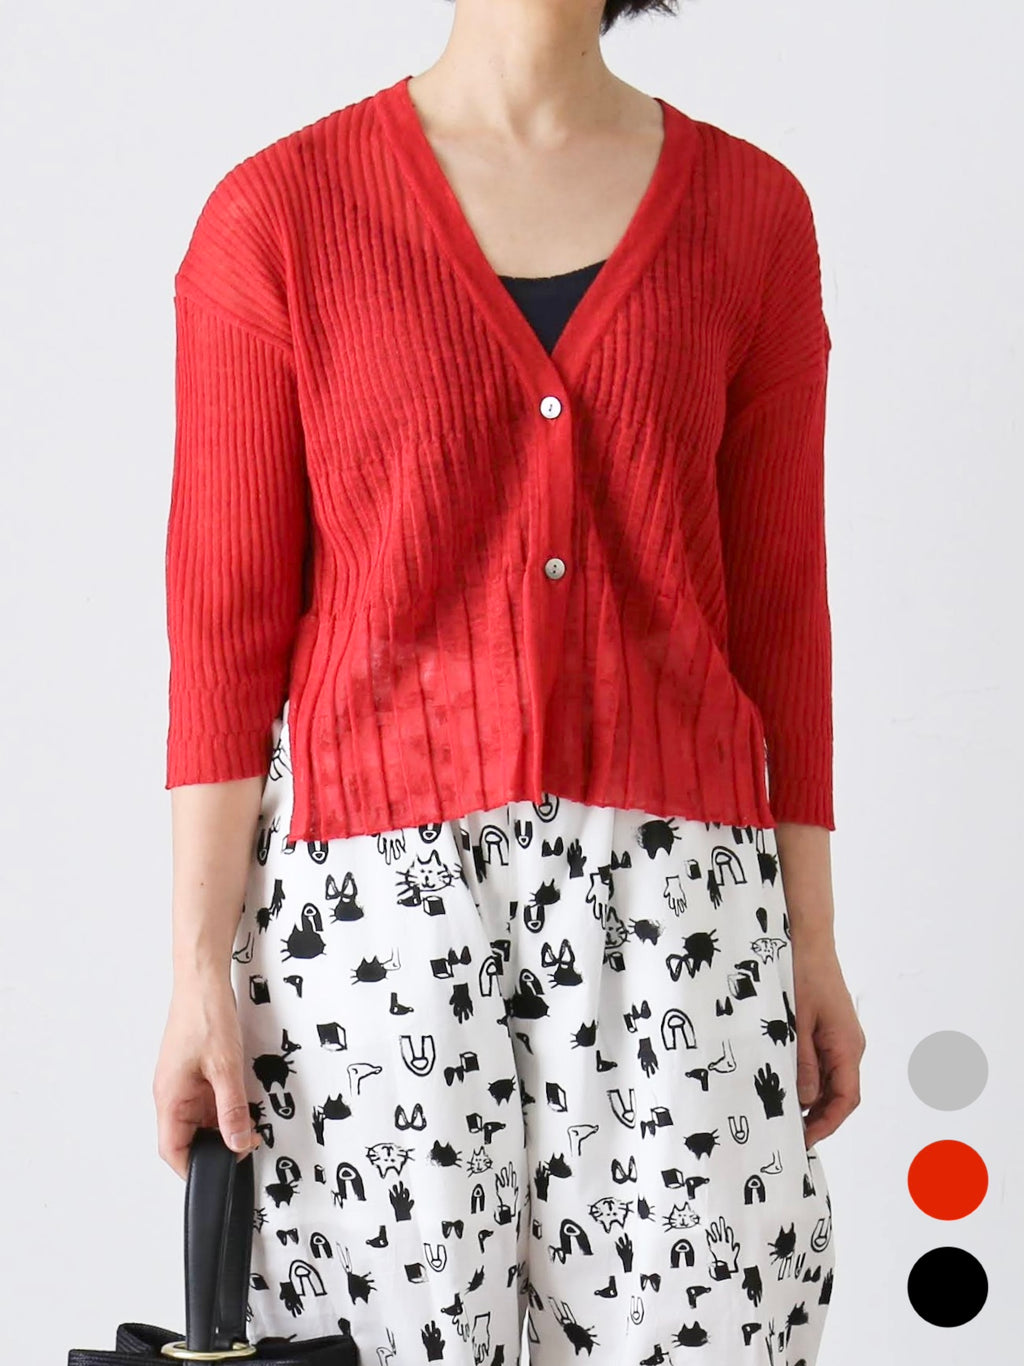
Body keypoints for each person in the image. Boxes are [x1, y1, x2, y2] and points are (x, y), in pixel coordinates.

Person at [153, 2, 865, 1363]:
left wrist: (814, 943)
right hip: (366, 916)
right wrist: (196, 971)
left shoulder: (752, 214)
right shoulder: (279, 212)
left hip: (682, 905)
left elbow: (782, 613)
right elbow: (223, 626)